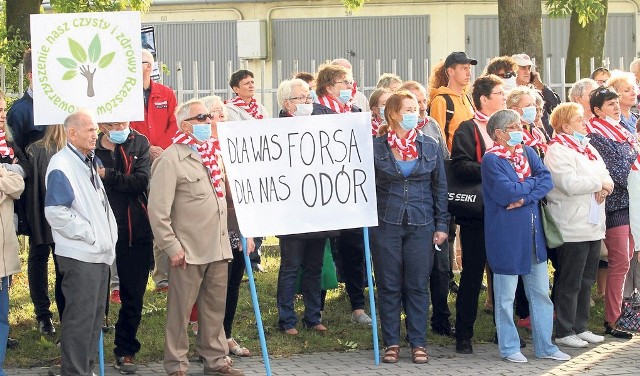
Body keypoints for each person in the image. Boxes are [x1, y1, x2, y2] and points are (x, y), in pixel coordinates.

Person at [148, 99, 243, 376]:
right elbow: (158, 210)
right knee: (180, 312)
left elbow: (224, 202)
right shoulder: (171, 158)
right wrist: (171, 246)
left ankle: (215, 360)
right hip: (187, 250)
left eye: (208, 116)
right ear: (186, 125)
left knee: (214, 309)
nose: (208, 121)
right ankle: (177, 364)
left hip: (218, 246)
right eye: (202, 117)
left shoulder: (214, 154)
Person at [482, 109, 570, 364]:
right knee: (506, 295)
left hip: (533, 236)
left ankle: (546, 346)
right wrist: (527, 189)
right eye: (513, 127)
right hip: (506, 237)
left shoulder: (529, 152)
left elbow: (546, 180)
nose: (519, 130)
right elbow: (506, 192)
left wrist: (525, 195)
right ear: (499, 133)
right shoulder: (492, 160)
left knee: (541, 292)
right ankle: (509, 347)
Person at [371, 90, 449, 364]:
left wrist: (442, 224)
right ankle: (391, 342)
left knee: (417, 285)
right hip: (386, 225)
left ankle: (418, 343)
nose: (413, 114)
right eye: (407, 109)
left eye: (415, 108)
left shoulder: (429, 144)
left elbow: (440, 187)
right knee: (389, 285)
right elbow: (363, 187)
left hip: (422, 223)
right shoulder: (376, 146)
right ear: (392, 113)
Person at [44, 109, 118, 375]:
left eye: (95, 129)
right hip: (80, 255)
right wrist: (90, 234)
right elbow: (55, 211)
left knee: (94, 319)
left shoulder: (87, 160)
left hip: (97, 254)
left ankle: (85, 369)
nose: (95, 134)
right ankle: (75, 371)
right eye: (89, 129)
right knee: (80, 319)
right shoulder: (62, 164)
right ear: (71, 133)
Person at [545, 103, 612, 348]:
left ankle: (580, 326)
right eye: (579, 119)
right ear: (565, 125)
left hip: (592, 224)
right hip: (571, 225)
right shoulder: (558, 150)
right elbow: (568, 183)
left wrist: (603, 185)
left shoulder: (587, 147)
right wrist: (599, 184)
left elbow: (608, 175)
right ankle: (564, 329)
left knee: (586, 279)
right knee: (570, 280)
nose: (584, 122)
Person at [312, 64, 372, 325]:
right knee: (321, 252)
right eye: (344, 83)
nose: (351, 87)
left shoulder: (356, 113)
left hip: (350, 192)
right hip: (324, 192)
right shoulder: (314, 113)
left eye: (350, 82)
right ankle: (317, 308)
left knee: (354, 249)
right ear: (328, 87)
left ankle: (358, 306)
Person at [451, 74, 506, 353]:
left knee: (504, 275)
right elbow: (460, 166)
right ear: (484, 99)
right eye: (499, 92)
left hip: (507, 214)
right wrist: (492, 166)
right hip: (478, 214)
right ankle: (464, 335)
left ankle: (505, 333)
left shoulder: (511, 127)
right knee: (473, 273)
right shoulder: (468, 128)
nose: (504, 97)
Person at [275, 79, 334, 334]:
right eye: (302, 98)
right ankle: (287, 319)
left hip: (318, 207)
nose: (308, 103)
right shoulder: (276, 130)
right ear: (288, 103)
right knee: (290, 266)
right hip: (292, 210)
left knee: (314, 266)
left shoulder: (321, 124)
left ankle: (313, 316)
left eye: (309, 98)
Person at [95, 120, 152, 373]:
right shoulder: (89, 146)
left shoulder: (139, 142)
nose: (120, 126)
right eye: (113, 123)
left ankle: (126, 348)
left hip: (134, 229)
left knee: (133, 294)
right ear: (101, 124)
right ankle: (83, 348)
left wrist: (108, 175)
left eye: (123, 121)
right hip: (97, 230)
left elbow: (140, 181)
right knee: (92, 293)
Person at [200, 94, 253, 356]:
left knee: (232, 284)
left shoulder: (237, 147)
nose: (222, 117)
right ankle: (208, 340)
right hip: (210, 228)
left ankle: (226, 334)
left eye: (223, 113)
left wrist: (249, 230)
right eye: (215, 113)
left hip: (236, 226)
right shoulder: (200, 151)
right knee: (210, 288)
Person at [400, 80, 454, 337]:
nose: (421, 107)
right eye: (415, 103)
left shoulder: (432, 125)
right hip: (410, 211)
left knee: (441, 268)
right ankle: (409, 323)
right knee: (410, 273)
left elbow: (444, 163)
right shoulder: (389, 135)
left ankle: (441, 318)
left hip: (436, 208)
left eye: (423, 102)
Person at [7, 49, 52, 336]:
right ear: (31, 75)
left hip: (61, 189)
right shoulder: (20, 110)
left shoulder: (60, 107)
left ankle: (67, 308)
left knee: (64, 252)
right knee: (39, 251)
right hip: (35, 193)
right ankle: (42, 314)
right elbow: (15, 152)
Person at [586, 87, 636, 339]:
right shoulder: (596, 136)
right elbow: (616, 171)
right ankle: (612, 320)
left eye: (617, 102)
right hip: (614, 205)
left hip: (632, 202)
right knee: (619, 261)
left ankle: (624, 315)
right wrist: (635, 176)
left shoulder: (624, 130)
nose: (616, 107)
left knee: (626, 262)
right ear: (596, 110)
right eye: (609, 104)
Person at [129, 49, 178, 294]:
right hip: (136, 159)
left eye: (141, 63)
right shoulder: (126, 94)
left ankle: (163, 276)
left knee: (163, 214)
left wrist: (162, 148)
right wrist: (146, 147)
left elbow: (174, 122)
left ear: (149, 66)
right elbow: (125, 125)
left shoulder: (166, 94)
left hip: (164, 159)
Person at [25, 125, 67, 334]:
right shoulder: (36, 150)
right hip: (43, 214)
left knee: (61, 264)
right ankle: (44, 316)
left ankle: (54, 315)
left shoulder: (72, 150)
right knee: (41, 261)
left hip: (57, 216)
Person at [0, 90, 25, 376]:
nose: (2, 114)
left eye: (4, 109)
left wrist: (5, 175)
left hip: (5, 249)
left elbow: (20, 184)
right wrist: (8, 174)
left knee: (2, 317)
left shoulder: (10, 143)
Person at [429, 52, 477, 151]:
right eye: (464, 68)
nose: (469, 74)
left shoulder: (467, 97)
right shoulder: (441, 100)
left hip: (469, 159)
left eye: (469, 68)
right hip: (453, 162)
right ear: (451, 71)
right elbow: (437, 137)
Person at [511, 53, 561, 136]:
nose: (527, 72)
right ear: (513, 70)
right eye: (523, 68)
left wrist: (542, 87)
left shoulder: (535, 90)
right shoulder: (510, 93)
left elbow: (556, 107)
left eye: (529, 68)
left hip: (543, 135)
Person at [506, 87, 548, 157]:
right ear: (515, 110)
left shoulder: (536, 131)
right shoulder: (512, 134)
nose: (533, 108)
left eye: (533, 105)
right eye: (528, 105)